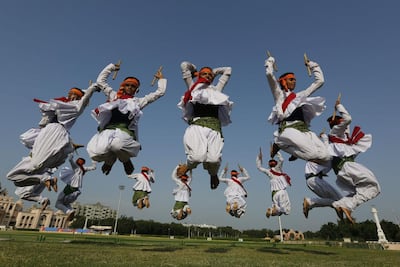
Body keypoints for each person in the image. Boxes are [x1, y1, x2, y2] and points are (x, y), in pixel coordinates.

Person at [7, 81, 100, 187]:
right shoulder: (61, 105)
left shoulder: (76, 108)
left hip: (57, 131)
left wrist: (92, 88)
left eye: (74, 94)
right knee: (14, 179)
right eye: (70, 93)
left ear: (78, 97)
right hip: (47, 130)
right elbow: (46, 117)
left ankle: (45, 176)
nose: (70, 95)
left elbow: (85, 98)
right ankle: (45, 179)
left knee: (35, 164)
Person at [87, 63, 166, 175]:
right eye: (127, 85)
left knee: (117, 146)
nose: (129, 87)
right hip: (108, 130)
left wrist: (161, 80)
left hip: (124, 131)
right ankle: (110, 161)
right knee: (96, 153)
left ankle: (126, 161)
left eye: (133, 86)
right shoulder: (113, 96)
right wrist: (111, 68)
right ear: (123, 86)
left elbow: (159, 93)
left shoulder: (138, 102)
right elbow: (100, 82)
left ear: (136, 89)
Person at [177, 61, 233, 190]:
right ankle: (188, 166)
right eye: (204, 74)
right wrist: (195, 70)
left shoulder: (216, 90)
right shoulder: (193, 87)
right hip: (197, 126)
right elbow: (184, 65)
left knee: (214, 160)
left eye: (209, 75)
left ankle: (213, 174)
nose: (207, 76)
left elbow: (228, 69)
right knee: (197, 156)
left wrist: (214, 71)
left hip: (214, 128)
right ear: (198, 75)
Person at [265, 55, 331, 164]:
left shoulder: (300, 96)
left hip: (304, 129)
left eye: (295, 80)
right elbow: (269, 75)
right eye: (291, 79)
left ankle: (286, 146)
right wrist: (270, 61)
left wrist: (313, 65)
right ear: (283, 81)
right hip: (289, 129)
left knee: (326, 157)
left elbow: (320, 82)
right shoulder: (279, 95)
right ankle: (280, 143)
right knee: (313, 154)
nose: (294, 81)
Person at [324, 99, 380, 224]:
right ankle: (347, 206)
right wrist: (339, 106)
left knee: (363, 191)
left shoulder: (344, 138)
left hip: (342, 172)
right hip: (347, 167)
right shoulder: (335, 132)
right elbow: (348, 119)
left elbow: (347, 125)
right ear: (338, 123)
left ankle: (342, 204)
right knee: (374, 186)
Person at [55, 154, 96, 221]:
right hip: (76, 190)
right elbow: (94, 167)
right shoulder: (84, 169)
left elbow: (70, 160)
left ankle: (69, 211)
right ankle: (71, 210)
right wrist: (94, 161)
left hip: (69, 188)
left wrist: (71, 153)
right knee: (66, 203)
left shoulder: (76, 167)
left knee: (58, 204)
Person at [256, 149, 291, 218]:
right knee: (287, 210)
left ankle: (271, 210)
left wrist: (259, 158)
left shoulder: (268, 172)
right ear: (276, 164)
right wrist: (275, 151)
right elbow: (281, 160)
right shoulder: (278, 168)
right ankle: (273, 210)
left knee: (278, 211)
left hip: (274, 194)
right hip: (282, 191)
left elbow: (259, 167)